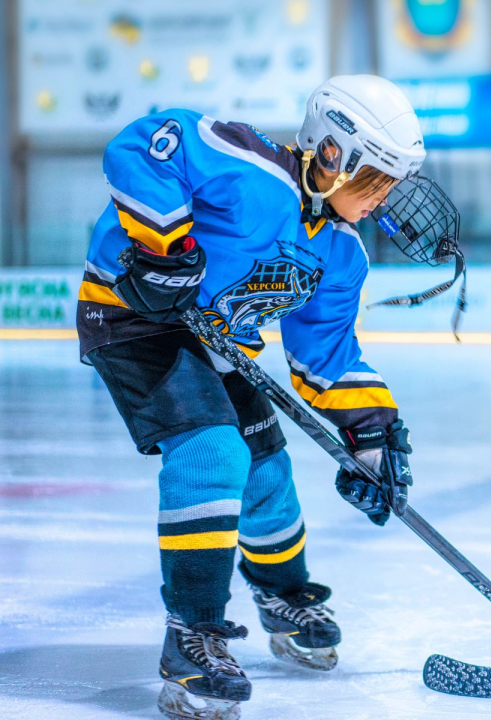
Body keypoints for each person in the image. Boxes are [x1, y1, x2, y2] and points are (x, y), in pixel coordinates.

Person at [76, 75, 461, 720]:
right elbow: (144, 144)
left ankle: (284, 594)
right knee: (213, 451)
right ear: (332, 153)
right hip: (135, 317)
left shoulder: (341, 254)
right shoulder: (251, 172)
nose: (382, 199)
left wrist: (372, 433)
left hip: (218, 342)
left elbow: (325, 357)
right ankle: (192, 633)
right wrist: (164, 246)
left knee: (267, 471)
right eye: (376, 180)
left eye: (390, 185)